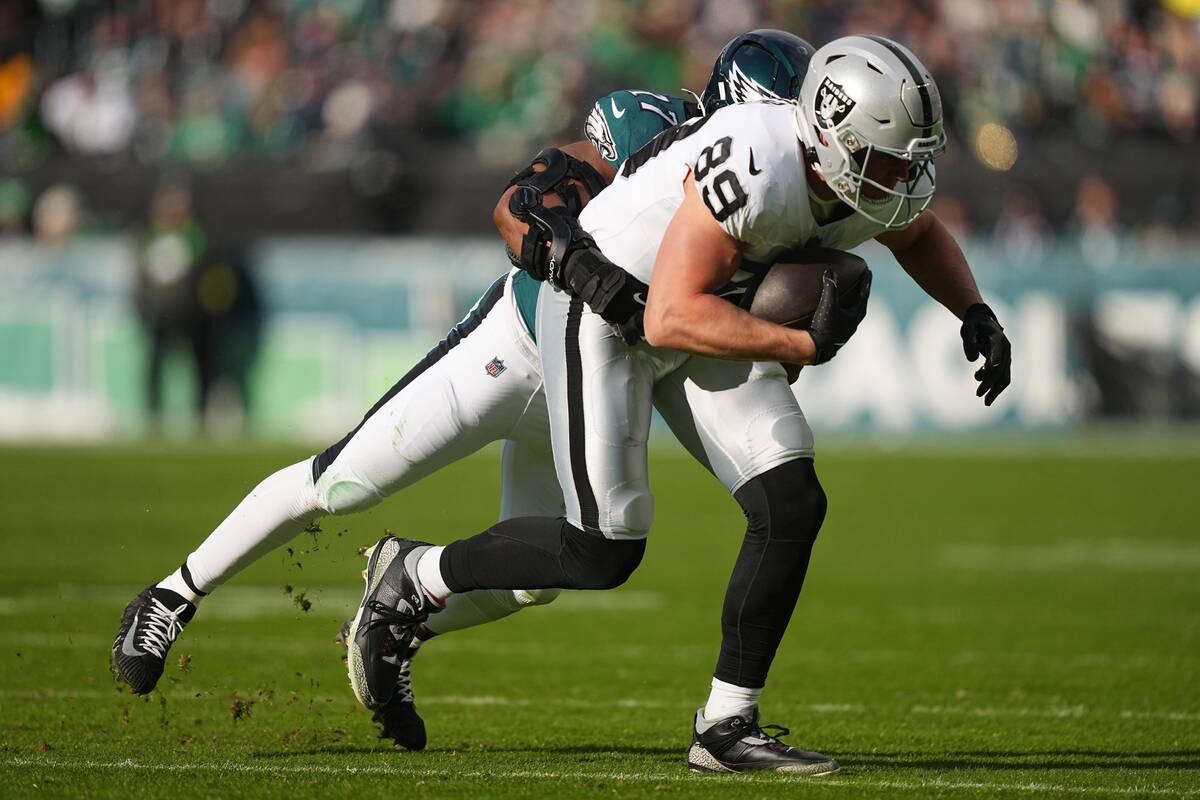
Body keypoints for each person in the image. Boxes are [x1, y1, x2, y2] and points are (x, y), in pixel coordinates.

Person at [110, 29, 819, 749]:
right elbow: (521, 203)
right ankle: (172, 596)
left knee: (537, 578)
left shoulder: (794, 182)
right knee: (341, 483)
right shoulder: (656, 130)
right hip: (513, 353)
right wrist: (577, 261)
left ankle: (393, 622)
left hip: (610, 381)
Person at [345, 34, 1011, 775]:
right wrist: (797, 344)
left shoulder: (853, 174)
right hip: (606, 311)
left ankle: (727, 726)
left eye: (912, 160)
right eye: (890, 160)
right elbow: (667, 316)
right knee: (604, 548)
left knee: (790, 500)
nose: (905, 177)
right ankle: (418, 574)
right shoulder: (757, 162)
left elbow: (918, 232)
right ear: (832, 135)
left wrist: (973, 309)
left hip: (693, 313)